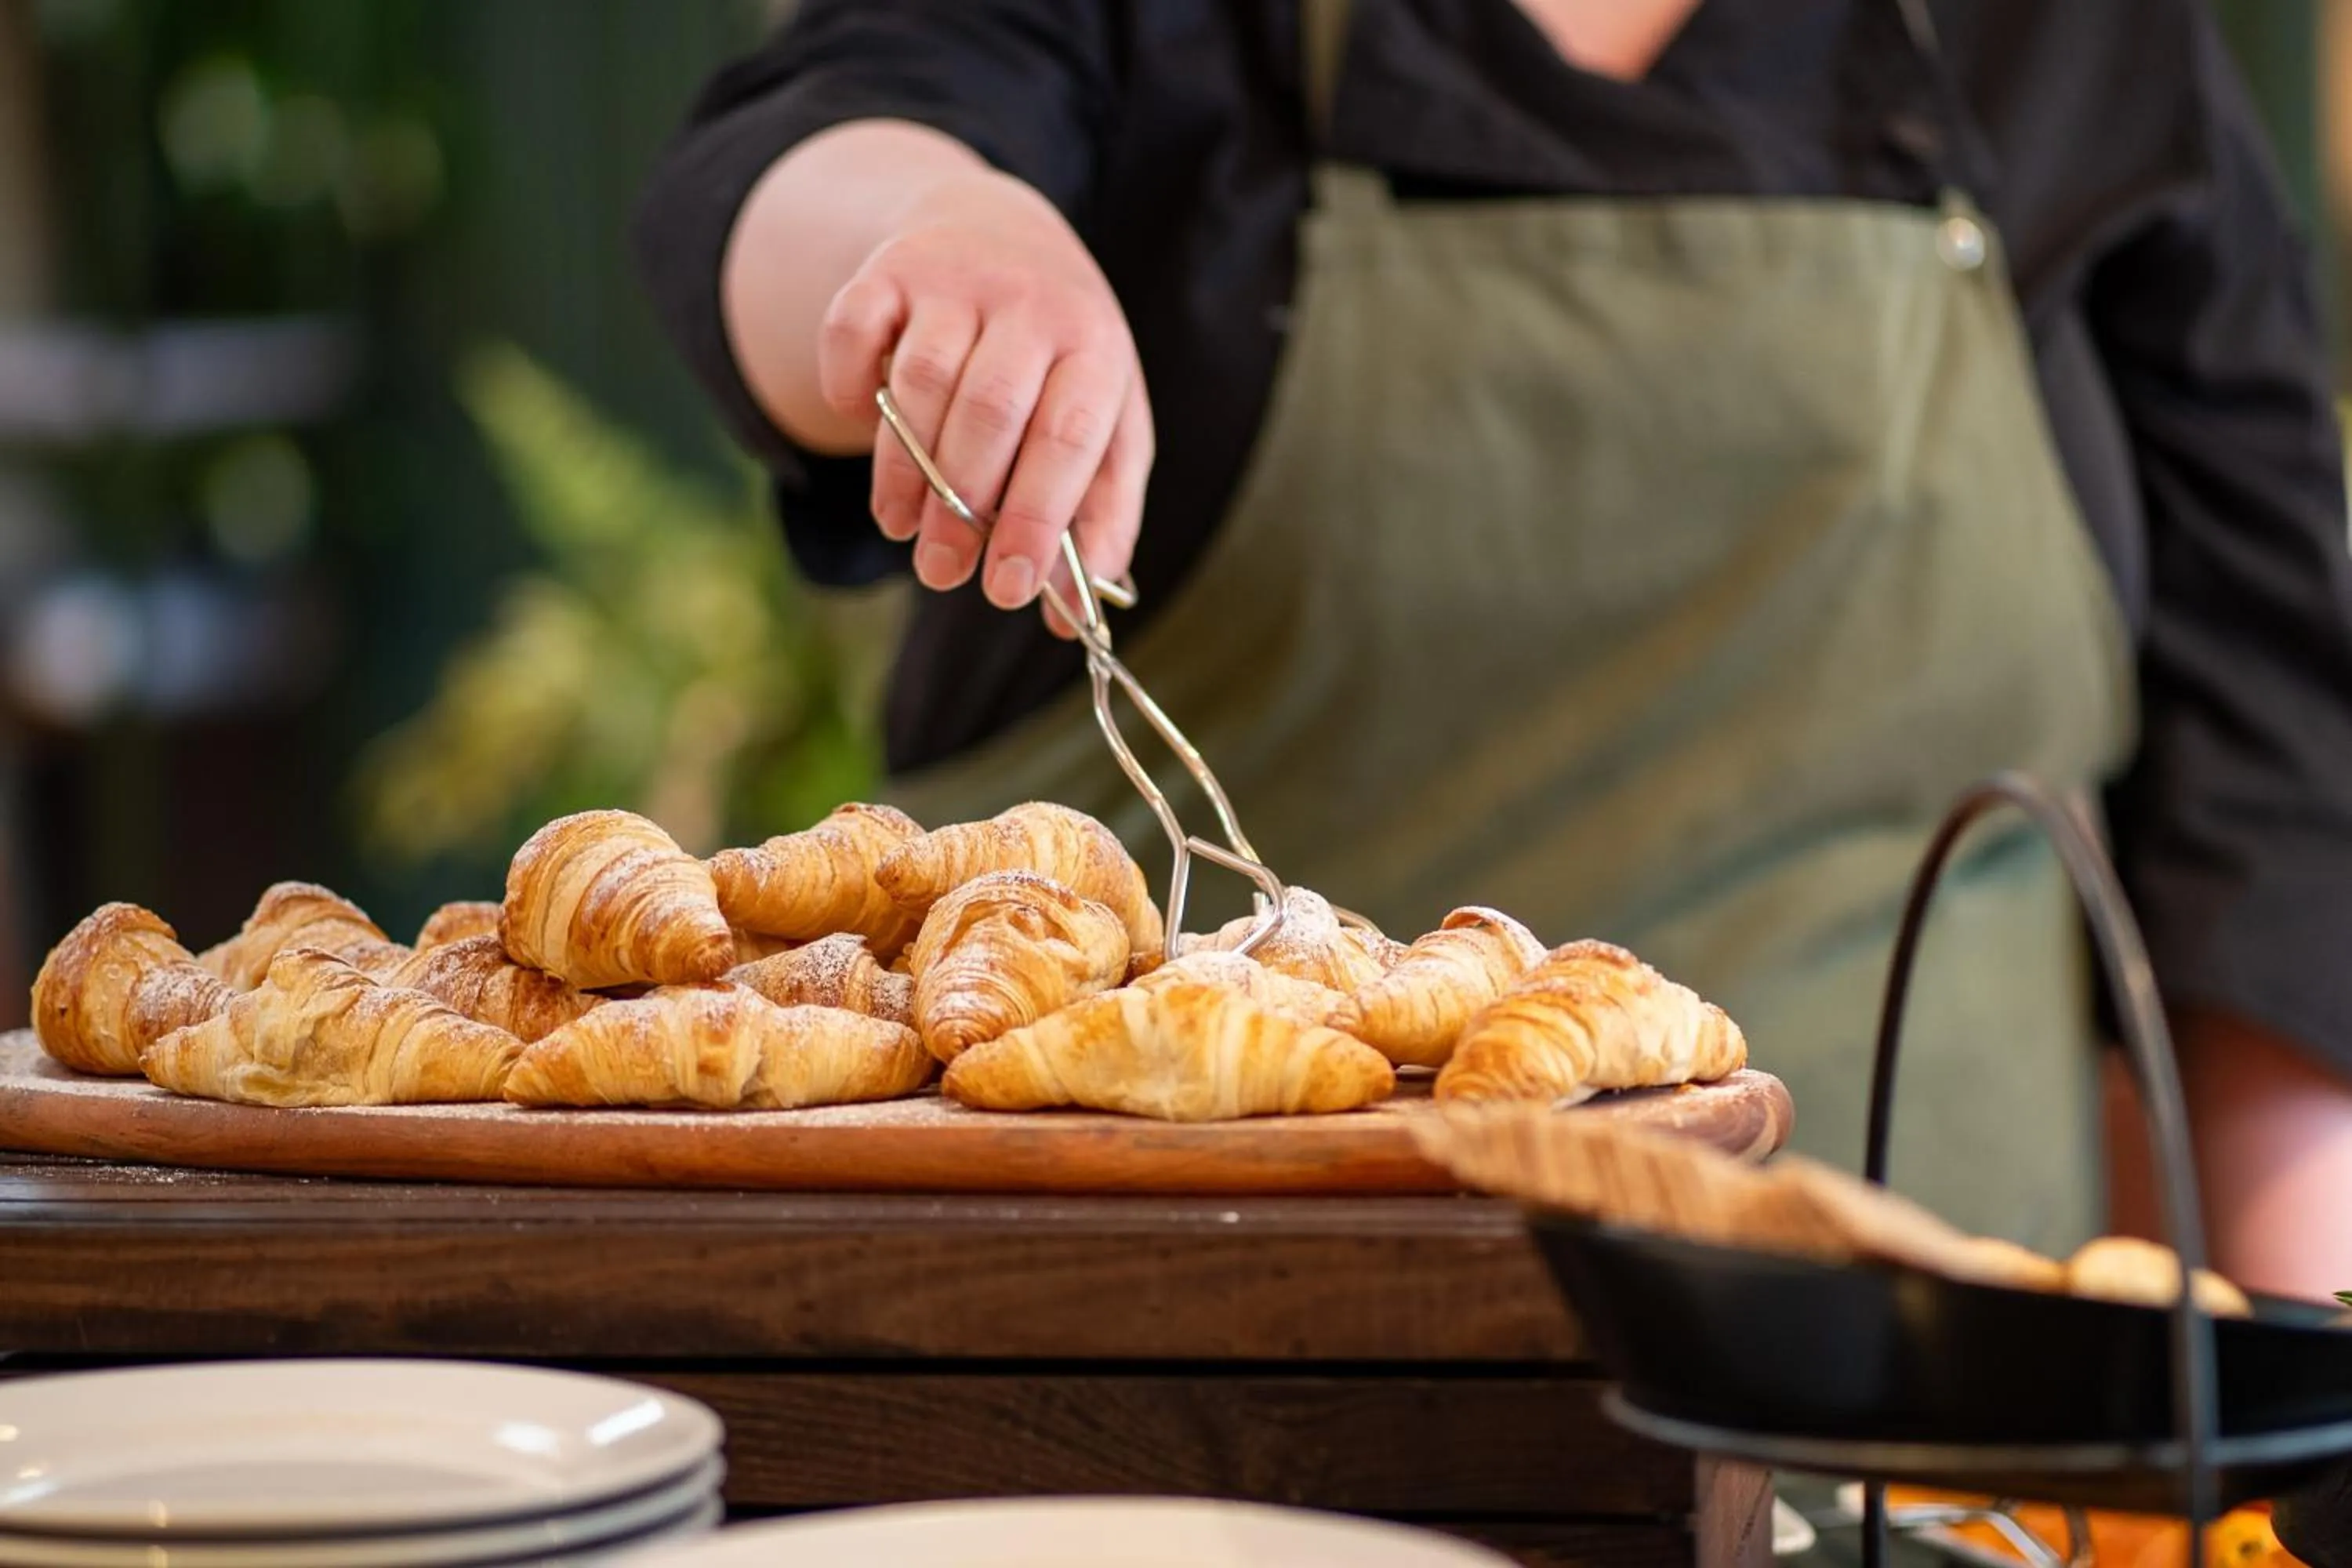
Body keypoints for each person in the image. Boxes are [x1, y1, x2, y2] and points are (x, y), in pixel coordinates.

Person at [633, 0, 2352, 1294]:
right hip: (1123, 1425)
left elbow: (2270, 801)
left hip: (1922, 1461)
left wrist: (2292, 1449)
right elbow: (802, 155)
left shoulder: (2080, 36)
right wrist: (937, 237)